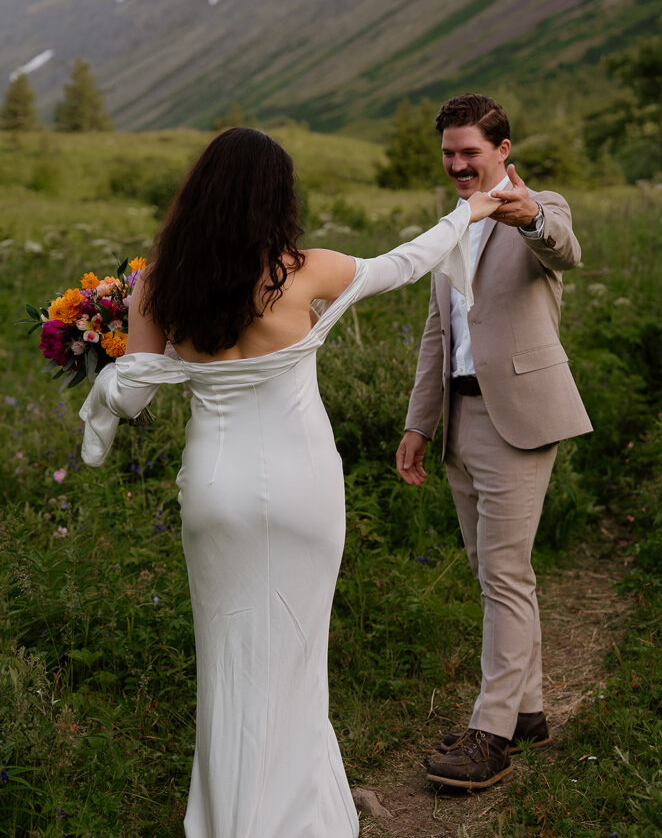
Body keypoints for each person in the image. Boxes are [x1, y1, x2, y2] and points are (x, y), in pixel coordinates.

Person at [79, 127, 500, 838]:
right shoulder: (302, 271)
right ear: (277, 198)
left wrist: (104, 353)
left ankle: (230, 819)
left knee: (226, 656)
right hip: (302, 483)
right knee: (297, 654)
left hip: (214, 488)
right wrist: (471, 212)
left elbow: (135, 393)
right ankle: (298, 818)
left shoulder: (156, 283)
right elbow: (406, 261)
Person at [395, 94, 592, 791]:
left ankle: (490, 735)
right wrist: (419, 424)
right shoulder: (451, 225)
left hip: (521, 418)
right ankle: (528, 711)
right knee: (492, 573)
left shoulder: (540, 206)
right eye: (448, 153)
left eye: (469, 152)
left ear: (502, 150)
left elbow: (563, 248)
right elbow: (435, 336)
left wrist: (528, 213)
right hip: (459, 420)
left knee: (504, 573)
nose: (456, 164)